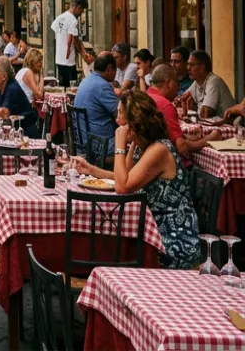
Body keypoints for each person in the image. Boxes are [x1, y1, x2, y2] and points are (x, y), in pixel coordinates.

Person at [74, 90, 200, 269]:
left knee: (106, 246)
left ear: (134, 121)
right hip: (149, 231)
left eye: (120, 113)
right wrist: (92, 170)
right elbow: (124, 177)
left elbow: (122, 187)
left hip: (170, 239)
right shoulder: (142, 145)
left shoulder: (159, 150)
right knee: (106, 242)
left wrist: (119, 144)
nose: (117, 119)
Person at [149, 63, 218, 159]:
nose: (179, 87)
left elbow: (167, 136)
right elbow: (182, 148)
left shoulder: (147, 96)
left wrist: (186, 137)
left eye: (192, 65)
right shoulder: (165, 105)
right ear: (168, 83)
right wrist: (208, 140)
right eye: (177, 82)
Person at [0, 57, 39, 137]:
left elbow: (4, 113)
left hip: (26, 136)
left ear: (4, 76)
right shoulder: (0, 88)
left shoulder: (12, 89)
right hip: (13, 133)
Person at [74, 52, 121, 144]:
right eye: (115, 70)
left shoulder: (86, 80)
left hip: (83, 139)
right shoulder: (102, 86)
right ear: (108, 69)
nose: (116, 74)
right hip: (100, 143)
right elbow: (120, 114)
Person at [176, 50, 234, 119]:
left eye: (191, 65)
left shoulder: (214, 81)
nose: (188, 68)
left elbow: (205, 114)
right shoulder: (196, 82)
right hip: (212, 124)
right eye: (187, 64)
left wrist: (189, 110)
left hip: (228, 123)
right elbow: (181, 100)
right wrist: (181, 103)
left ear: (202, 68)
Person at [50, 0, 88, 88]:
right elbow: (75, 40)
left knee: (62, 85)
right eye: (82, 10)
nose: (81, 13)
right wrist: (83, 53)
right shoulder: (73, 20)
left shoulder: (60, 17)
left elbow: (55, 29)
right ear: (78, 7)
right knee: (71, 86)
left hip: (59, 58)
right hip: (69, 60)